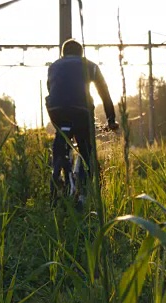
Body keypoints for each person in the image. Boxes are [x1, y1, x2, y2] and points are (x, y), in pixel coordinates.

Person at [46, 38, 118, 205]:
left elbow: (52, 89)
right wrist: (111, 119)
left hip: (56, 110)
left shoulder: (53, 66)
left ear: (63, 54)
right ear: (81, 53)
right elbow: (104, 92)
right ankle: (83, 195)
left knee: (60, 139)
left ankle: (57, 175)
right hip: (81, 110)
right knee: (86, 151)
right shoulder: (90, 66)